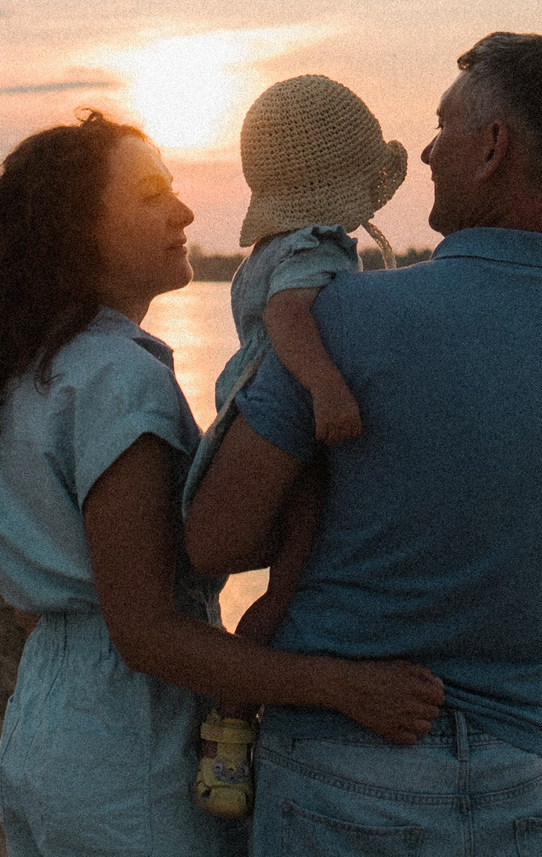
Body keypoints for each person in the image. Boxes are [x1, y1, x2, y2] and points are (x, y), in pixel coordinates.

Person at [184, 34, 542, 855]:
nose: (431, 151)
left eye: (445, 125)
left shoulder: (344, 317)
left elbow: (212, 541)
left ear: (493, 147)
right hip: (521, 785)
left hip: (344, 775)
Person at [0, 109, 446, 857]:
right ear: (79, 230)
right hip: (131, 745)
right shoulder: (118, 379)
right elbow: (145, 632)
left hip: (42, 724)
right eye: (149, 196)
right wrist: (345, 687)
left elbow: (40, 606)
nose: (184, 212)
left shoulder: (19, 375)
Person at [180, 75, 410, 820]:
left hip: (255, 420)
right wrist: (326, 388)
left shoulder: (271, 248)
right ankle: (232, 727)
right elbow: (288, 318)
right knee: (290, 585)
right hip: (291, 436)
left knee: (287, 586)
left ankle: (231, 722)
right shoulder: (315, 247)